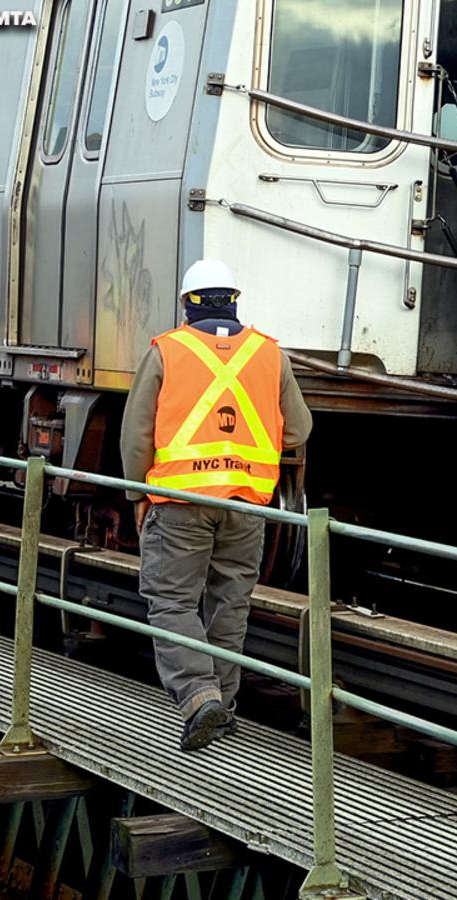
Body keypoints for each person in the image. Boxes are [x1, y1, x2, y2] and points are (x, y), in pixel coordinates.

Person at [120, 259, 312, 751]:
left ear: (187, 304)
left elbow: (137, 434)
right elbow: (299, 429)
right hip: (246, 505)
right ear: (234, 299)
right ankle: (222, 707)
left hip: (181, 502)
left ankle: (200, 699)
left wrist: (137, 494)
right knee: (230, 604)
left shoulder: (168, 350)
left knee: (172, 601)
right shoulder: (269, 355)